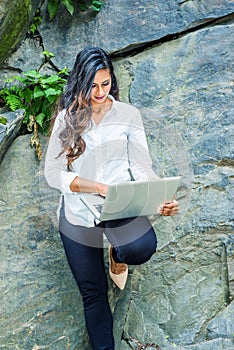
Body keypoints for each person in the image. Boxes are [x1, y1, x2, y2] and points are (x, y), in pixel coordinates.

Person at [44, 46, 179, 350]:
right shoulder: (67, 119)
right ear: (81, 83)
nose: (100, 92)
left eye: (105, 84)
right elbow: (53, 175)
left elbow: (143, 166)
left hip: (119, 203)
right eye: (92, 86)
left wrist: (161, 198)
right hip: (78, 212)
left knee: (142, 247)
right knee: (93, 292)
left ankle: (117, 255)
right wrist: (96, 186)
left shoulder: (128, 115)